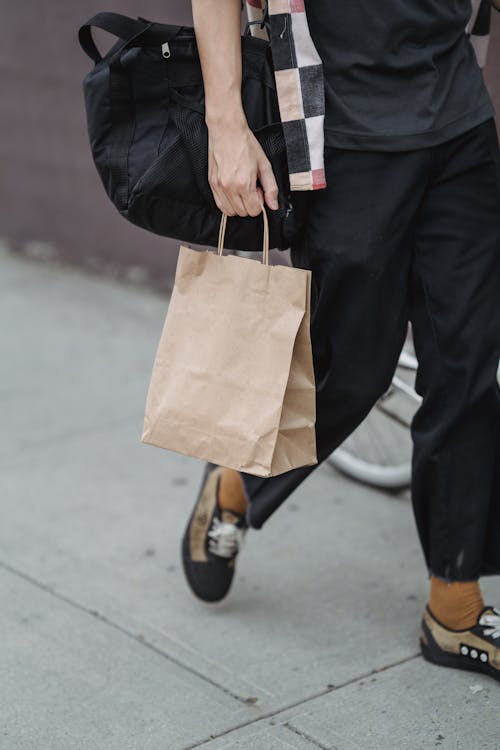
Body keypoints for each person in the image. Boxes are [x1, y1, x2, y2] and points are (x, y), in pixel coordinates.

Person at [182, 0, 500, 682]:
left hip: (459, 121)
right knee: (347, 373)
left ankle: (455, 605)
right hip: (341, 134)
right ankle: (236, 483)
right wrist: (226, 123)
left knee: (469, 368)